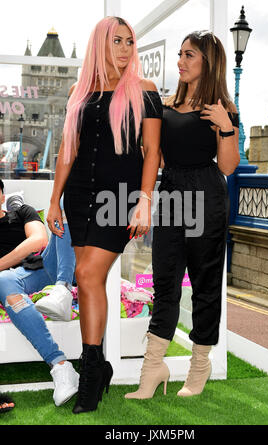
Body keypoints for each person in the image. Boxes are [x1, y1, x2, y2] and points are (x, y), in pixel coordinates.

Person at [46, 16, 162, 414]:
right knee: (87, 277)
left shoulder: (144, 91)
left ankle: (91, 370)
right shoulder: (79, 92)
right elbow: (67, 150)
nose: (126, 49)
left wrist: (144, 200)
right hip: (78, 196)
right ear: (100, 43)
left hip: (119, 198)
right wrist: (54, 199)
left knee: (87, 275)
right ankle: (99, 365)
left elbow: (151, 152)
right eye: (118, 41)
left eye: (130, 42)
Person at [125, 30, 240, 399]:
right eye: (180, 54)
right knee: (165, 283)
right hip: (171, 195)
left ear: (208, 61)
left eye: (189, 55)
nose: (180, 61)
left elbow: (227, 165)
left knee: (205, 287)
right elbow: (152, 155)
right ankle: (153, 368)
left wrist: (226, 126)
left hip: (207, 197)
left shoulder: (222, 107)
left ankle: (199, 365)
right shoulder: (164, 104)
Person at [0, 179, 79, 407]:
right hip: (12, 282)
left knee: (67, 199)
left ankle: (63, 288)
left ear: (4, 197)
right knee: (4, 280)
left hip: (42, 268)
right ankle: (61, 365)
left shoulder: (22, 212)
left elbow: (39, 240)